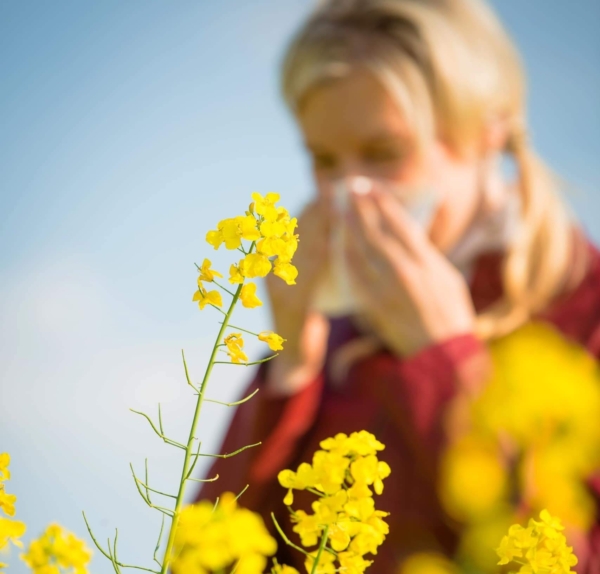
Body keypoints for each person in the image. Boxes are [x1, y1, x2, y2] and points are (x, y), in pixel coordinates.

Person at [197, 0, 600, 571]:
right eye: (324, 160)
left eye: (383, 154)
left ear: (489, 133)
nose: (349, 191)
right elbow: (208, 555)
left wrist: (444, 361)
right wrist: (289, 371)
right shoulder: (333, 327)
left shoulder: (586, 308)